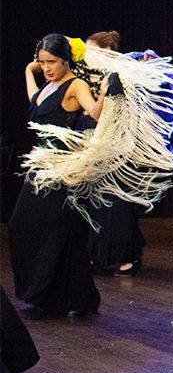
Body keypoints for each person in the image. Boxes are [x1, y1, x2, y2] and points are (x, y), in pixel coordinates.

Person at [9, 34, 109, 316]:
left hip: (63, 170)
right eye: (42, 62)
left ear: (66, 60)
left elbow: (95, 113)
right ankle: (57, 296)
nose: (47, 67)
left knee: (59, 232)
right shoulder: (47, 86)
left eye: (51, 62)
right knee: (26, 227)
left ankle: (63, 298)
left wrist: (103, 91)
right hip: (41, 168)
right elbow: (35, 102)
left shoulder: (74, 85)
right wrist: (29, 71)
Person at [83, 31, 146, 277]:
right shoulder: (97, 74)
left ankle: (125, 257)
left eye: (92, 50)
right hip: (97, 140)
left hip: (114, 142)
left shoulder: (119, 74)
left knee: (115, 201)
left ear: (107, 49)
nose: (88, 55)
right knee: (97, 201)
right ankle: (100, 255)